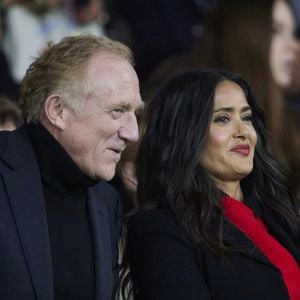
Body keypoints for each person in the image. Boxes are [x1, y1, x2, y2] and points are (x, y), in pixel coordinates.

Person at [121, 69, 300, 299]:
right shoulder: (160, 229)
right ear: (185, 133)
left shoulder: (277, 214)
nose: (243, 131)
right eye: (223, 119)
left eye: (246, 117)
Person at [0, 34, 143, 299]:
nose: (132, 132)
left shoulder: (106, 199)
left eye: (134, 113)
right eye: (117, 111)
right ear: (58, 110)